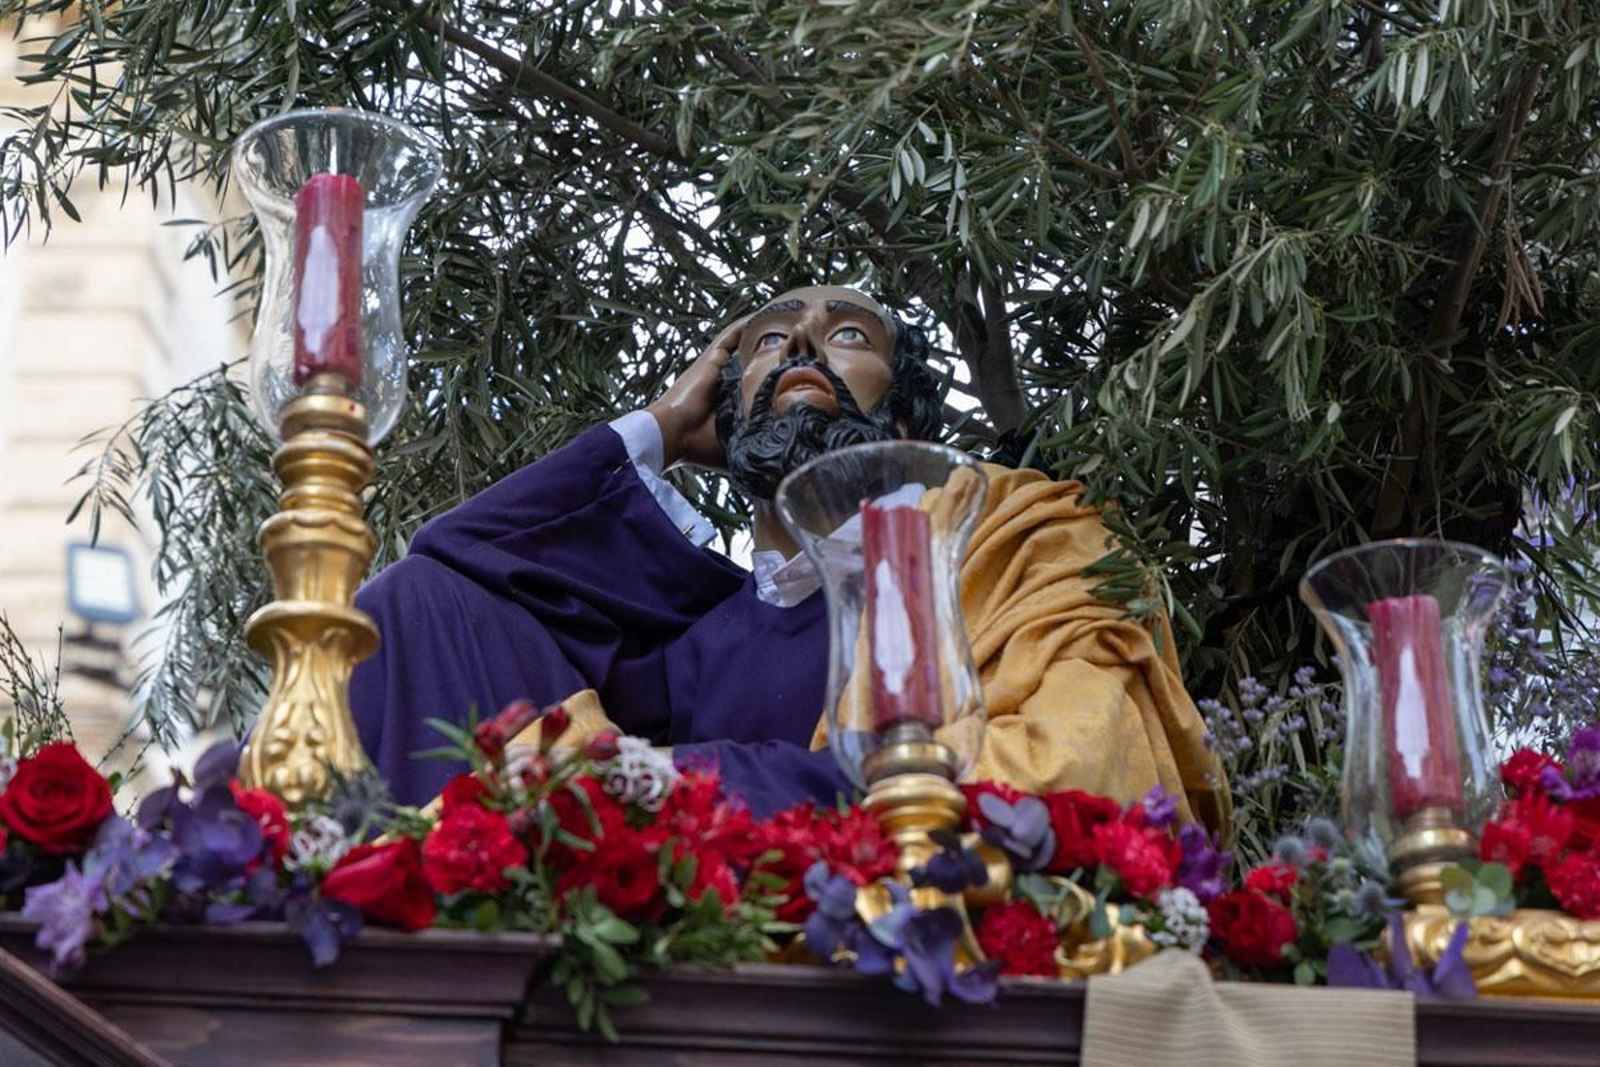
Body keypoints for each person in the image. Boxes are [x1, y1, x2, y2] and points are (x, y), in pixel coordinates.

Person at [349, 286, 1223, 825]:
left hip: (911, 978)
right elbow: (446, 578)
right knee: (406, 600)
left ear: (910, 420)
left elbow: (1074, 770)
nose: (801, 342)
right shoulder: (691, 640)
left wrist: (654, 777)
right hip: (672, 983)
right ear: (729, 427)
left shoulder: (1014, 544)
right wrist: (662, 422)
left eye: (849, 334)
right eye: (768, 340)